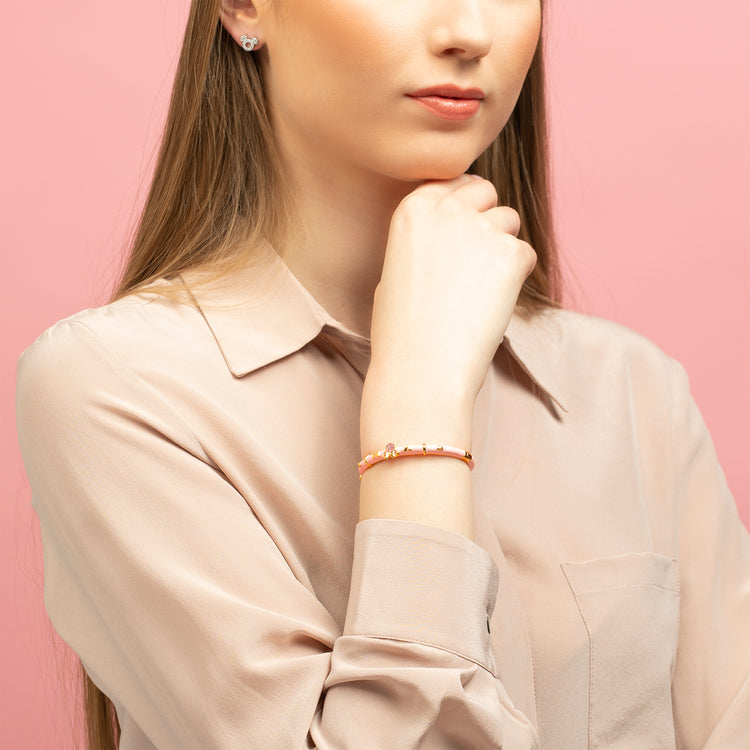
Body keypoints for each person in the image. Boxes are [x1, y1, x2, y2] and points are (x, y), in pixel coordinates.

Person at [15, 0, 750, 748]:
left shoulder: (632, 390)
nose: (467, 31)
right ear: (243, 6)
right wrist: (419, 400)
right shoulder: (118, 388)